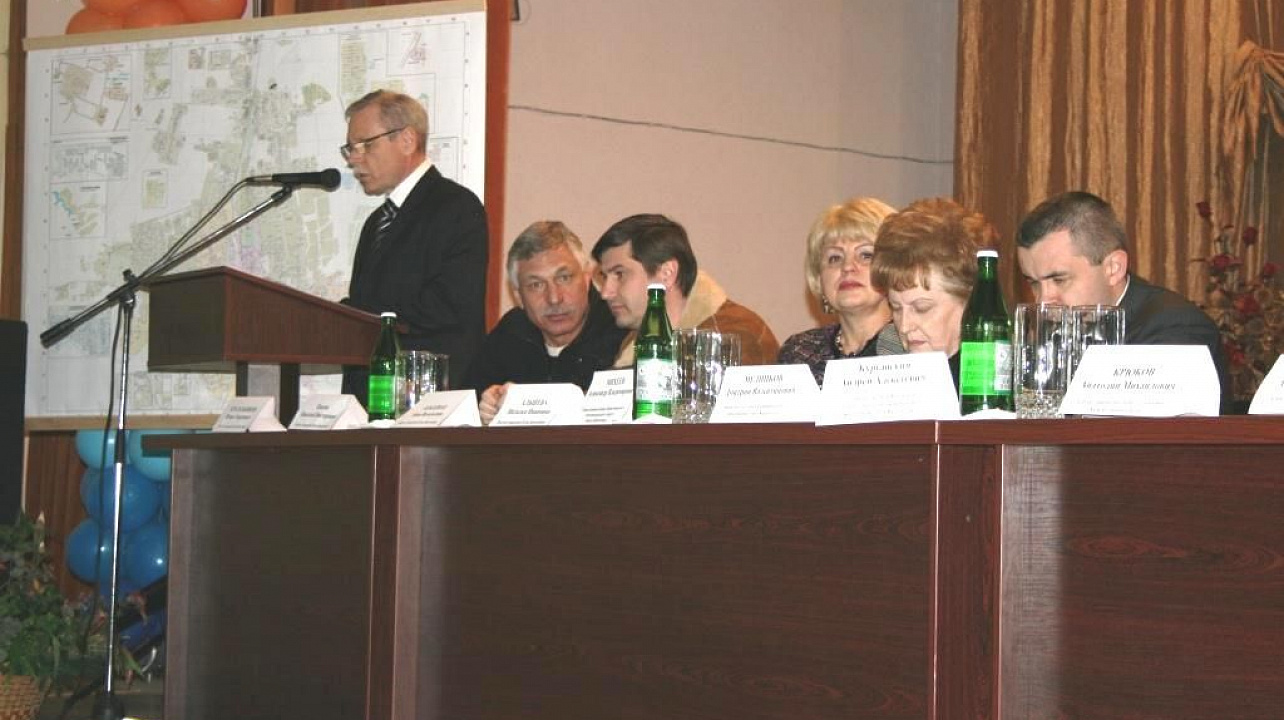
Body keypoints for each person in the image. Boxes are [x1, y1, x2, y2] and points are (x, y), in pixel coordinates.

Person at [1015, 190, 1229, 410]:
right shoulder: (1050, 332)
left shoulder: (1175, 327)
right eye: (1033, 283)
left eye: (1059, 279)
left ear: (1113, 268)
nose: (1043, 300)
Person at [339, 89, 488, 400]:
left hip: (429, 397)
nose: (354, 159)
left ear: (407, 140)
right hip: (372, 399)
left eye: (365, 145)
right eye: (350, 148)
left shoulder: (457, 207)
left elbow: (449, 305)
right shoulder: (376, 222)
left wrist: (359, 316)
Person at [466, 221, 629, 424]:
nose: (554, 298)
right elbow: (463, 410)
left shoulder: (620, 326)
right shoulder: (511, 333)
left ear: (587, 279)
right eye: (536, 285)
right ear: (518, 296)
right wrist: (486, 406)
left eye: (564, 278)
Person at [591, 214, 780, 366]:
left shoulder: (735, 338)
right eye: (604, 277)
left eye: (619, 274)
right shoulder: (634, 341)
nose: (605, 293)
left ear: (667, 273)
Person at [778, 197, 903, 386]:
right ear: (819, 277)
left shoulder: (914, 344)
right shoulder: (799, 352)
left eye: (866, 255)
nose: (847, 267)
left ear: (893, 268)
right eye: (835, 258)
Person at [870, 198, 995, 385]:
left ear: (971, 301)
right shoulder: (882, 355)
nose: (904, 326)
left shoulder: (1003, 378)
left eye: (922, 308)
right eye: (895, 308)